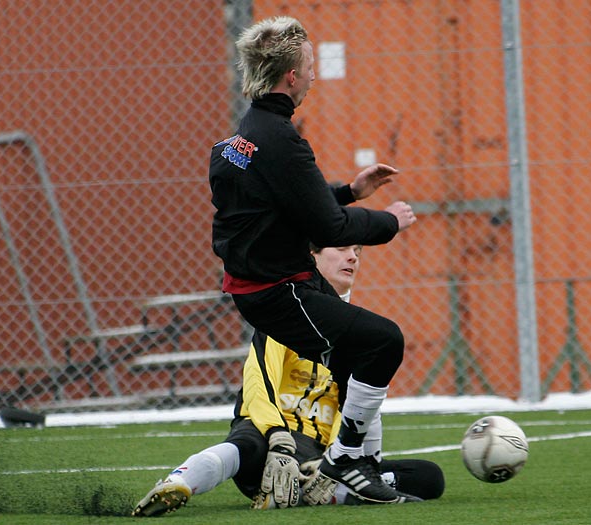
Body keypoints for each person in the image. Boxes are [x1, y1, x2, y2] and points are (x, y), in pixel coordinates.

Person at [208, 16, 417, 504]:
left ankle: (361, 466)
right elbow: (329, 229)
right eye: (310, 66)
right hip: (278, 291)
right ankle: (346, 459)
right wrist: (388, 221)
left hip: (261, 287)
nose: (315, 75)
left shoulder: (244, 138)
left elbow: (285, 200)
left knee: (350, 358)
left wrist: (349, 190)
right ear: (292, 77)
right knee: (384, 342)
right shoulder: (282, 140)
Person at [132, 245, 444, 517]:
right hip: (266, 440)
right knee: (245, 446)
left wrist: (331, 458)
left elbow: (354, 407)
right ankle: (179, 482)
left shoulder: (360, 331)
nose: (353, 257)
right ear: (312, 257)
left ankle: (313, 488)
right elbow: (260, 382)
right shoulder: (286, 314)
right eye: (341, 249)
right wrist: (279, 438)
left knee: (428, 477)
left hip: (316, 455)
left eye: (358, 251)